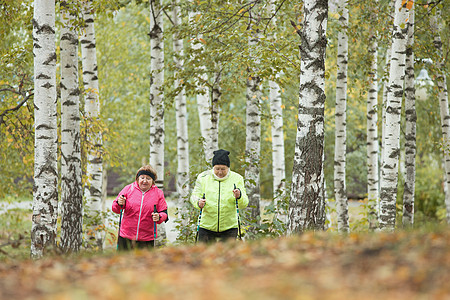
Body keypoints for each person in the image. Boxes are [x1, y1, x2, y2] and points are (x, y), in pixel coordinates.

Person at [190, 149, 249, 243]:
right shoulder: (203, 177)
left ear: (228, 168)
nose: (220, 172)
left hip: (229, 228)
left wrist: (239, 196)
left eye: (223, 169)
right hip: (206, 227)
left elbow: (244, 203)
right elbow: (194, 196)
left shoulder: (237, 178)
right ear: (213, 167)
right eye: (217, 169)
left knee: (227, 256)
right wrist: (198, 202)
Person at [112, 165, 168, 250]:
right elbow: (115, 208)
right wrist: (119, 203)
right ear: (138, 179)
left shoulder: (158, 193)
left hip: (146, 239)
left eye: (148, 178)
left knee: (144, 263)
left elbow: (164, 213)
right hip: (126, 237)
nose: (144, 181)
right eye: (142, 178)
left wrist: (159, 216)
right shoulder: (128, 189)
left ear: (153, 181)